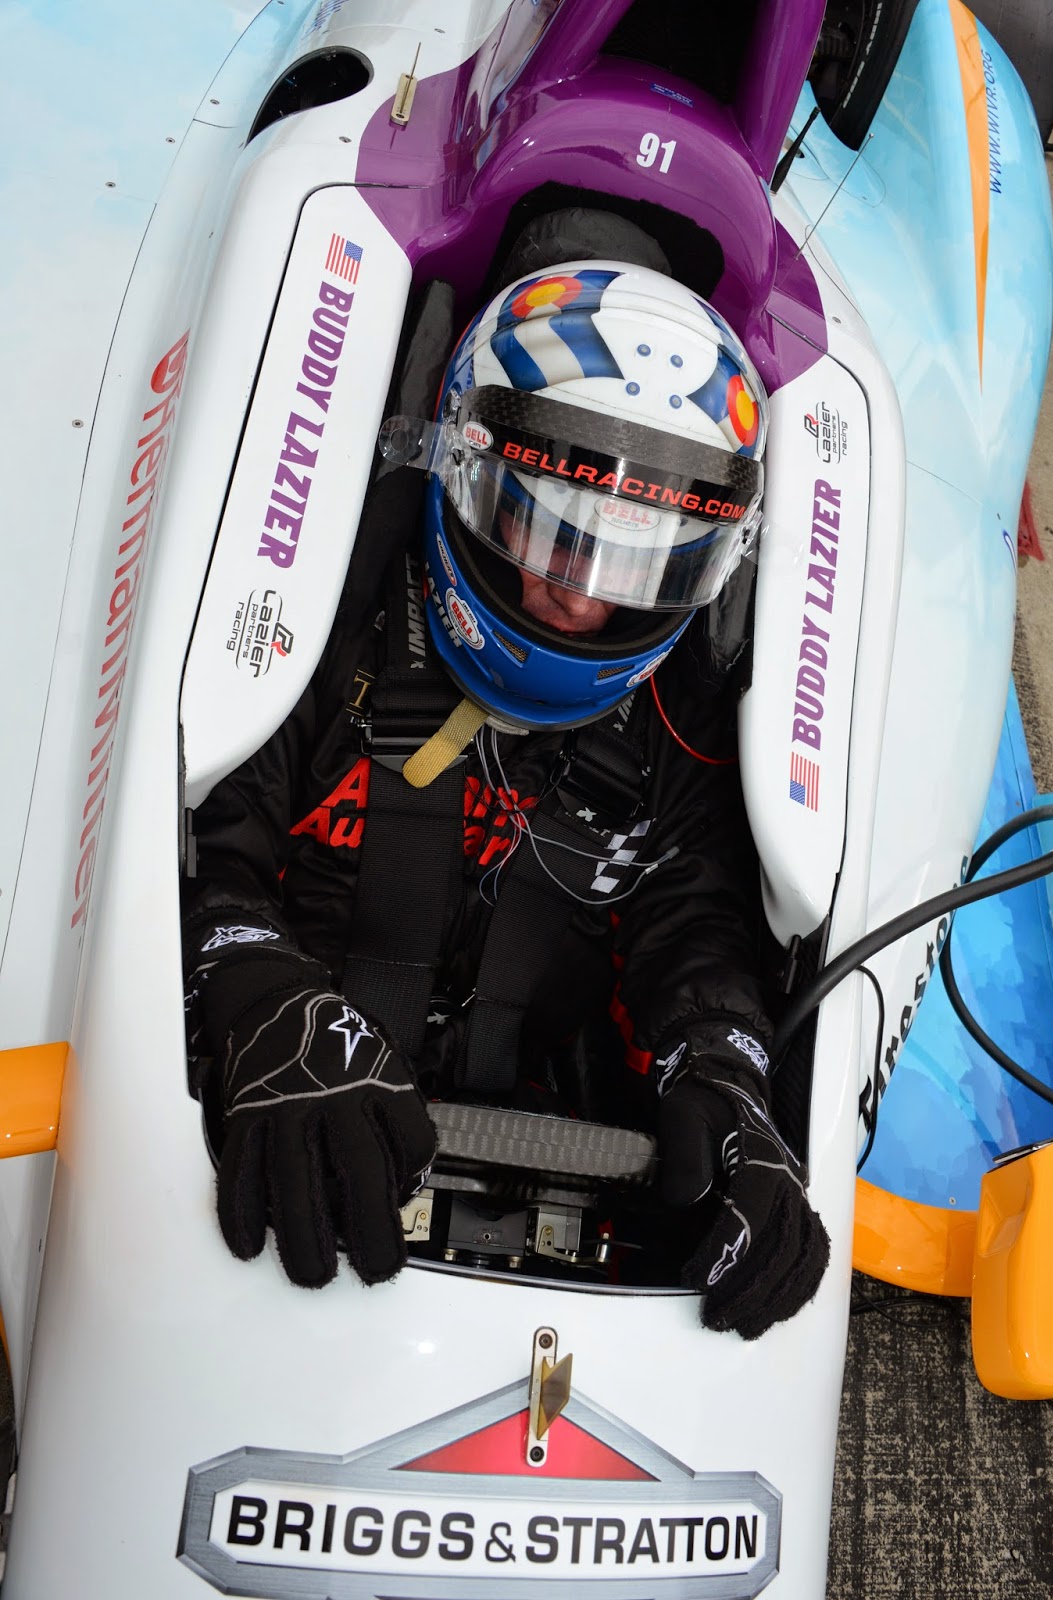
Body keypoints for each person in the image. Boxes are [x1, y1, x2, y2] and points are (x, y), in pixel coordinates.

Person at [182, 251, 830, 1341]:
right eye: (554, 529)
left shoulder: (682, 721)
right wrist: (255, 1000)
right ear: (466, 475)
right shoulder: (313, 617)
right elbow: (202, 840)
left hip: (539, 1169)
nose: (579, 600)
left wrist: (727, 1077)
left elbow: (698, 930)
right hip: (264, 1131)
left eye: (636, 559)